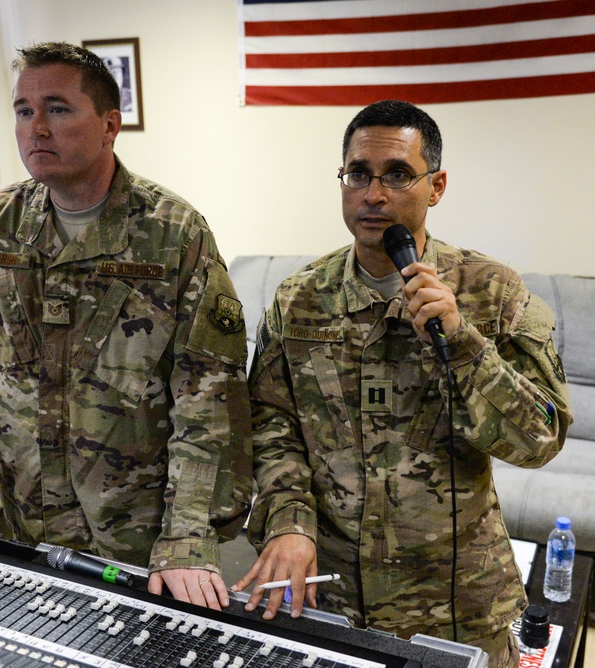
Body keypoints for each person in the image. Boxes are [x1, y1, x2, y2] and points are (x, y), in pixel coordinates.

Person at [0, 42, 252, 611]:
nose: (36, 128)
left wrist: (189, 534)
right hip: (26, 521)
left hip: (138, 533)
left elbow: (209, 398)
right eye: (23, 110)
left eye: (58, 109)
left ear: (110, 124)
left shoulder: (173, 234)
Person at [232, 100, 572, 667]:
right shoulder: (298, 300)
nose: (373, 194)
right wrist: (289, 522)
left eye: (396, 175)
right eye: (358, 174)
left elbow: (541, 439)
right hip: (326, 590)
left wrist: (462, 341)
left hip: (457, 603)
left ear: (436, 186)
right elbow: (271, 426)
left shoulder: (492, 290)